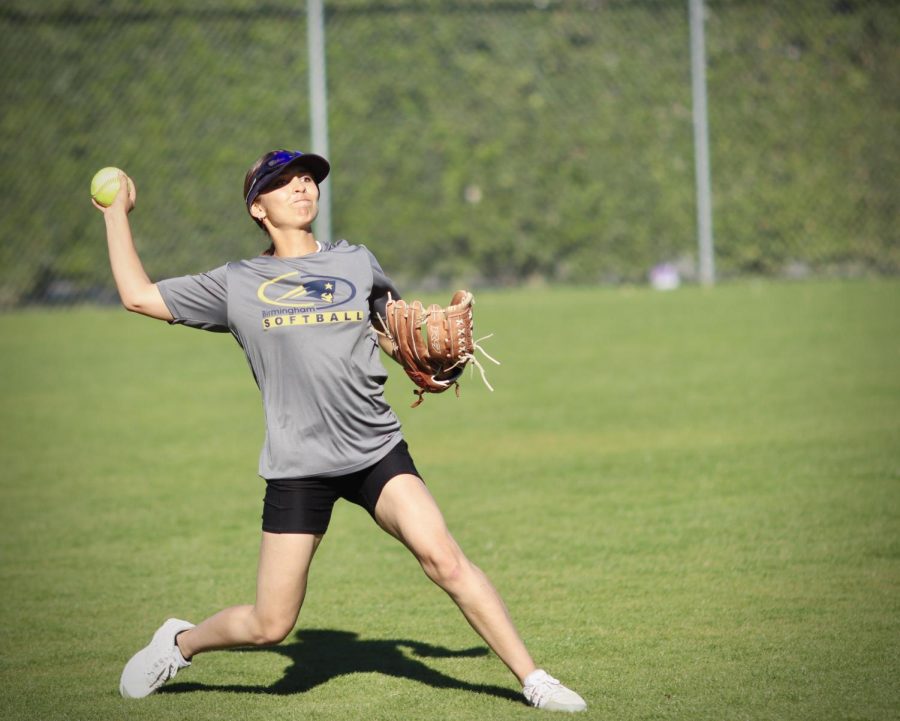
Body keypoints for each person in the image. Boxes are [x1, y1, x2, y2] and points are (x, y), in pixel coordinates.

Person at [95, 149, 587, 713]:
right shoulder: (237, 283)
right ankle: (180, 643)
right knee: (270, 626)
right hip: (299, 464)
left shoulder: (356, 262)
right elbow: (137, 295)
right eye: (284, 183)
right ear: (258, 208)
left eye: (308, 178)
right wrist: (116, 214)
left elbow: (395, 333)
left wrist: (429, 361)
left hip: (373, 447)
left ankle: (534, 679)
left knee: (445, 559)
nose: (302, 187)